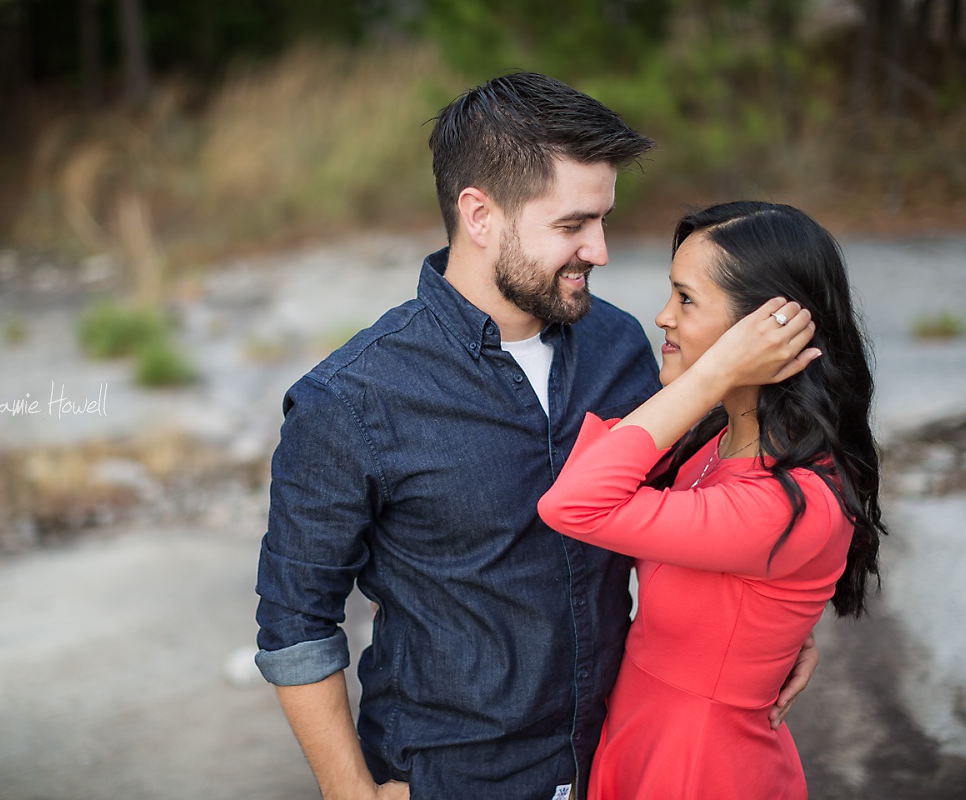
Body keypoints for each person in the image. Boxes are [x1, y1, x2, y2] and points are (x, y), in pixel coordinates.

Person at [254, 74, 817, 800]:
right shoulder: (352, 399)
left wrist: (769, 626)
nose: (602, 250)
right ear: (480, 214)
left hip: (615, 756)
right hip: (454, 778)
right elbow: (296, 623)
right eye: (573, 225)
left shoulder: (620, 345)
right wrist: (349, 792)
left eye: (605, 219)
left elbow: (693, 504)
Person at [538, 201, 886, 799]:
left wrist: (711, 376)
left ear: (763, 328)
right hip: (641, 736)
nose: (663, 316)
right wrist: (772, 630)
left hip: (699, 768)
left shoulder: (791, 500)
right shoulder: (716, 445)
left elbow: (574, 505)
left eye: (686, 298)